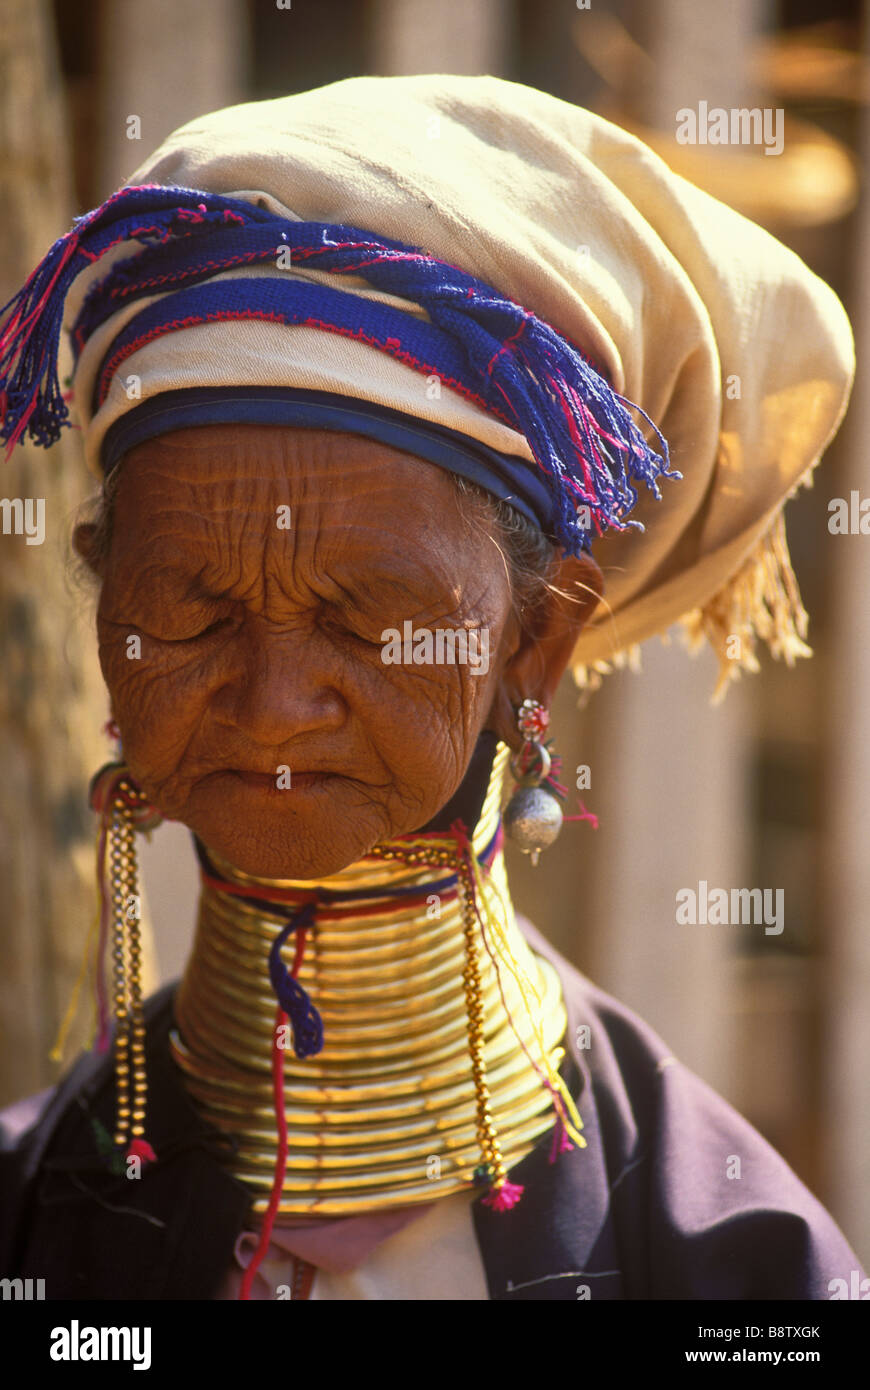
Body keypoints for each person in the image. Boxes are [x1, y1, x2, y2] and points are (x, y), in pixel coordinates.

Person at [0, 74, 864, 1301]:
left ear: (536, 643)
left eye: (370, 618)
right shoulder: (25, 1228)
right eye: (188, 608)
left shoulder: (740, 1273)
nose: (271, 703)